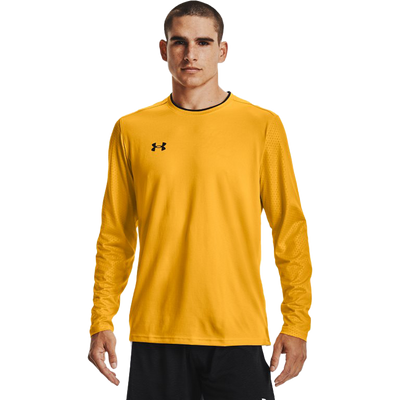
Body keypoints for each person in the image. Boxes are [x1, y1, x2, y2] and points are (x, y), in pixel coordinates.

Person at [86, 1, 314, 399]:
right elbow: (115, 234)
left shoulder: (263, 125)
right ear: (162, 49)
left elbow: (289, 230)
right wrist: (101, 317)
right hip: (156, 332)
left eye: (203, 42)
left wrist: (296, 323)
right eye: (179, 42)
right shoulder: (130, 128)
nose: (190, 54)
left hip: (239, 330)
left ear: (224, 50)